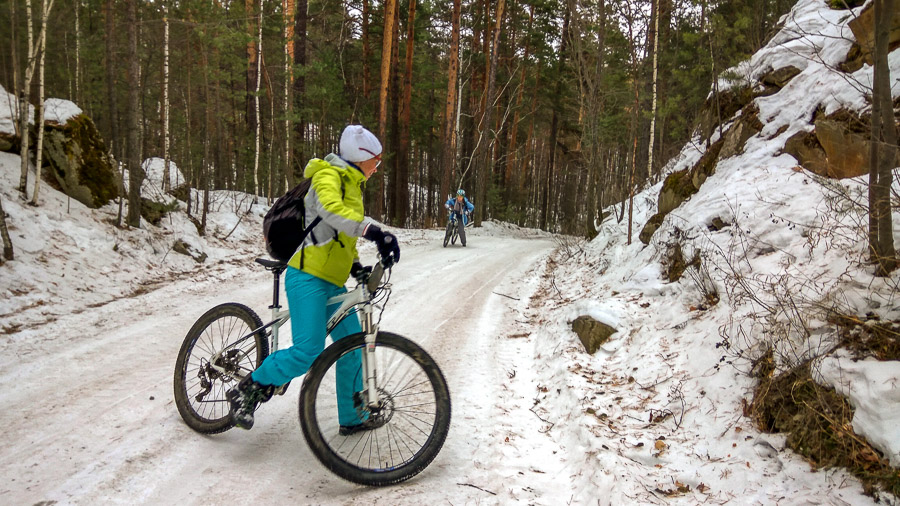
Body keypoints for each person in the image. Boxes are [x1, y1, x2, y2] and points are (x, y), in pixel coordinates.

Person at [227, 124, 400, 433]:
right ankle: (248, 386)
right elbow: (332, 214)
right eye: (377, 160)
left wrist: (356, 266)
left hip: (331, 280)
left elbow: (337, 237)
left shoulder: (354, 186)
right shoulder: (327, 175)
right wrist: (373, 231)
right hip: (306, 276)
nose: (378, 167)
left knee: (353, 346)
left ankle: (353, 416)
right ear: (362, 157)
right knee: (308, 351)